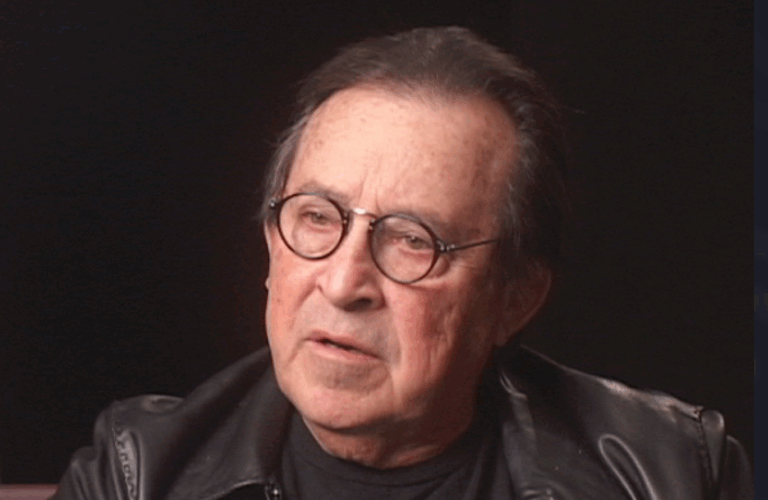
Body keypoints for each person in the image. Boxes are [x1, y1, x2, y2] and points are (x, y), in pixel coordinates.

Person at [53, 27, 752, 500]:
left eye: (413, 241)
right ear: (271, 243)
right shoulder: (137, 474)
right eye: (317, 218)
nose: (343, 283)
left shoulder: (672, 474)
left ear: (515, 297)